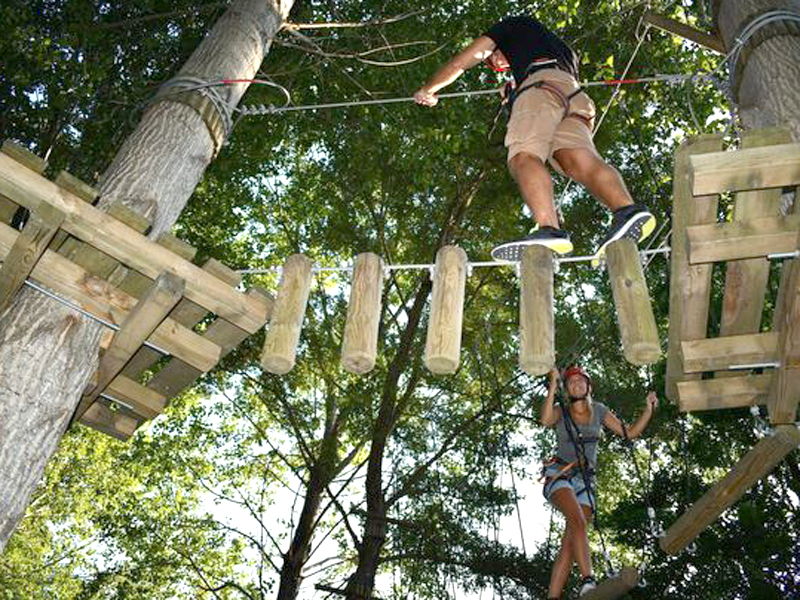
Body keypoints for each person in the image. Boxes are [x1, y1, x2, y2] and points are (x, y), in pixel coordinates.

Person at [414, 15, 655, 262]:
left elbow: (462, 63)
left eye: (494, 59)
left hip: (541, 89)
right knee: (577, 160)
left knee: (523, 156)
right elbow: (551, 80)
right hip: (574, 95)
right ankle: (627, 210)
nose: (497, 63)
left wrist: (428, 90)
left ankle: (549, 229)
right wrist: (515, 94)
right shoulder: (562, 50)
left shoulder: (510, 26)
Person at [539, 365, 658, 599]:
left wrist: (648, 410)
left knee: (570, 540)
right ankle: (588, 579)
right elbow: (545, 420)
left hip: (585, 481)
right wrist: (553, 384)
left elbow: (629, 433)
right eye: (571, 382)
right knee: (578, 520)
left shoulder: (600, 411)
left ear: (588, 386)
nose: (576, 384)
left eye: (580, 381)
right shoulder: (561, 411)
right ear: (567, 390)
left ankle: (552, 596)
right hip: (560, 474)